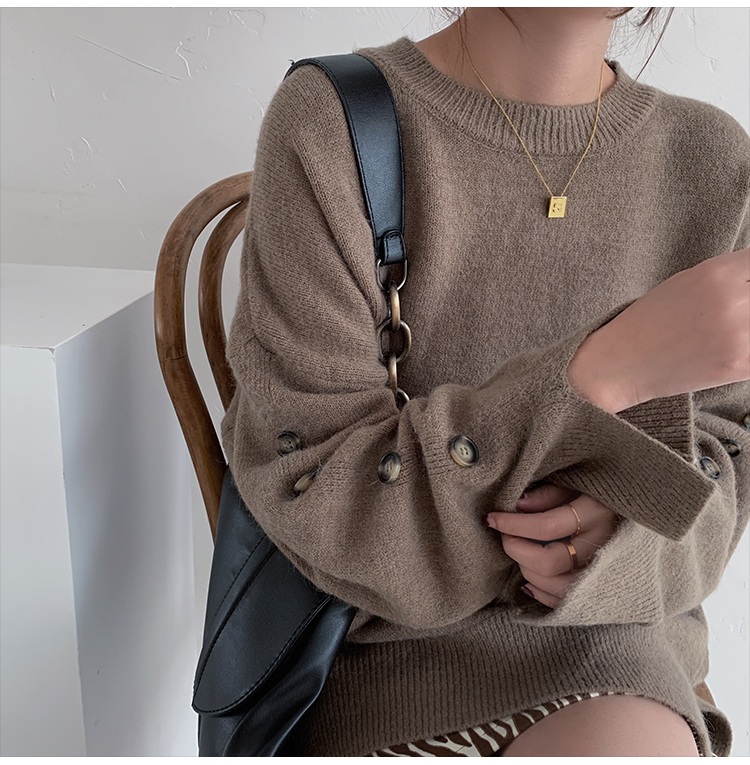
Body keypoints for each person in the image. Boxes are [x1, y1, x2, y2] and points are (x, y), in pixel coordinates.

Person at [220, 6, 750, 757]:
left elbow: (724, 468)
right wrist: (601, 372)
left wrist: (619, 549)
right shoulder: (339, 123)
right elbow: (320, 496)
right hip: (383, 673)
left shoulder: (714, 161)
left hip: (621, 654)